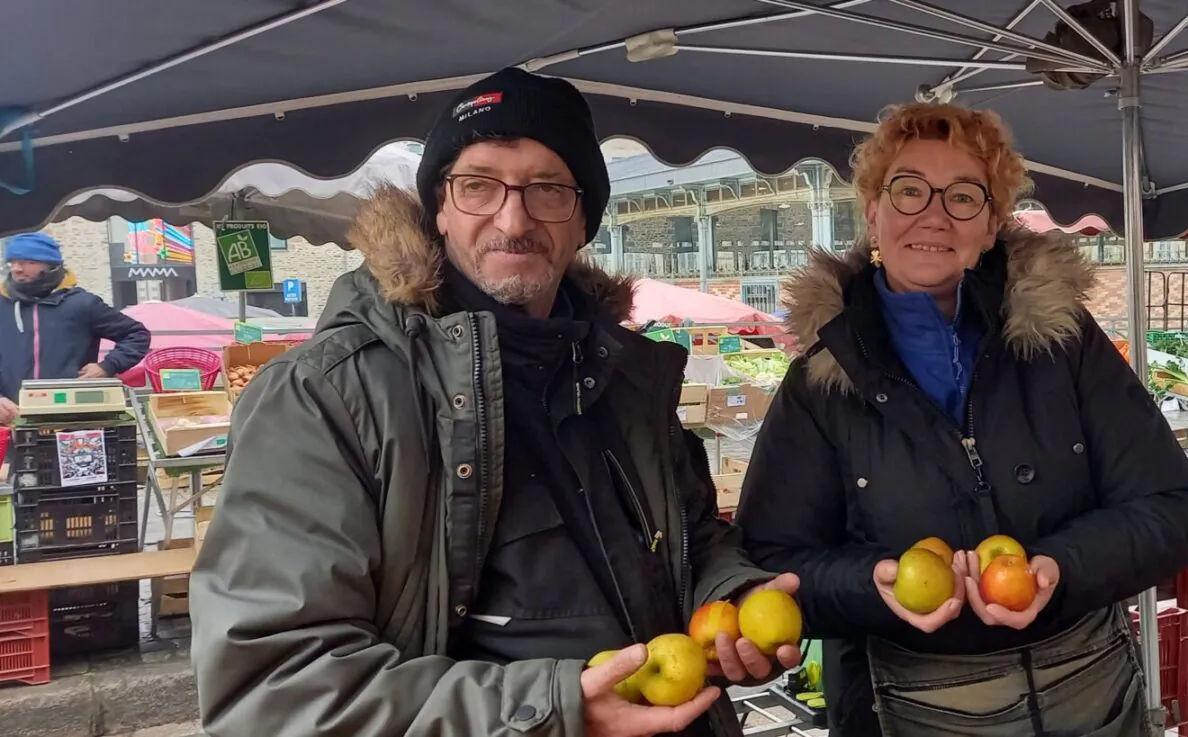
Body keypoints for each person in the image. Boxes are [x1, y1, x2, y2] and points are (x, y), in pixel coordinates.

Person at [189, 68, 800, 737]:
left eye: (547, 189)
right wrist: (557, 709)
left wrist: (730, 595)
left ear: (582, 220)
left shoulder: (626, 377)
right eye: (478, 185)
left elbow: (693, 539)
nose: (514, 219)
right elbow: (273, 690)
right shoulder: (328, 394)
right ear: (440, 209)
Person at [734, 102, 1188, 737]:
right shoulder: (822, 381)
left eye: (963, 196)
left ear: (991, 225)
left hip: (1089, 701)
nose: (933, 213)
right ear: (873, 213)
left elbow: (1175, 508)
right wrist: (868, 584)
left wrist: (1059, 567)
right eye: (908, 190)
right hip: (900, 710)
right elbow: (769, 563)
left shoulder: (1063, 344)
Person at [0, 232, 151, 424]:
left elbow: (136, 335)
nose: (17, 269)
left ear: (50, 266)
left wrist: (107, 366)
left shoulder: (82, 304)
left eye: (27, 262)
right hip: (11, 419)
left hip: (73, 419)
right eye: (12, 262)